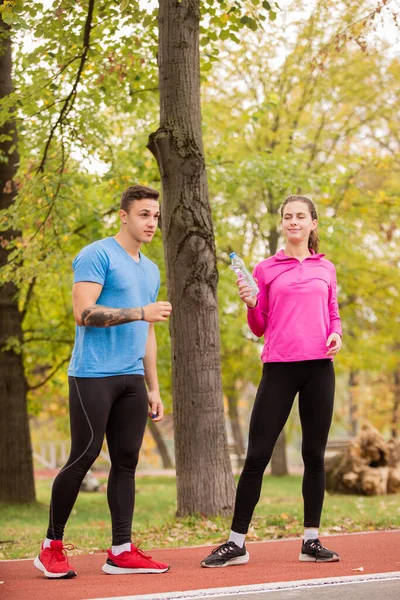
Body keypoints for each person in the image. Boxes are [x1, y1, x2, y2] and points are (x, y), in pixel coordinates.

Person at [34, 185, 172, 579]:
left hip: (131, 377)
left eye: (155, 216)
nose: (151, 222)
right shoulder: (96, 254)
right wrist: (140, 311)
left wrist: (154, 386)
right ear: (123, 215)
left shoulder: (150, 269)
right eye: (144, 214)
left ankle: (121, 550)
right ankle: (50, 546)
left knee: (127, 462)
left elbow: (149, 331)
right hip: (92, 374)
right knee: (84, 455)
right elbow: (84, 313)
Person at [201, 195, 342, 568]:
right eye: (287, 217)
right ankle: (236, 543)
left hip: (319, 369)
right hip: (279, 367)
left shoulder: (326, 267)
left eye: (301, 216)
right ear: (282, 224)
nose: (293, 221)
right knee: (257, 456)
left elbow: (333, 313)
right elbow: (260, 326)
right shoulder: (264, 269)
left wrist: (337, 335)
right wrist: (250, 304)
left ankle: (311, 540)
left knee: (314, 456)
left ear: (313, 223)